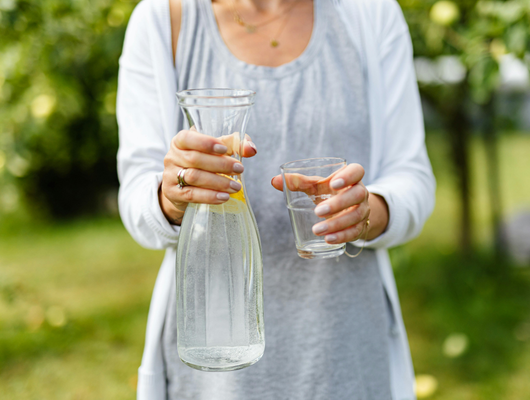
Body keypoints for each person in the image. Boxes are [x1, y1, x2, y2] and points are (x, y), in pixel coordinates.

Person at [116, 0, 436, 398]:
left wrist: (368, 212)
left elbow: (413, 177)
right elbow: (135, 197)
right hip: (216, 360)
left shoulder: (371, 13)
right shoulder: (163, 20)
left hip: (344, 349)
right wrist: (174, 195)